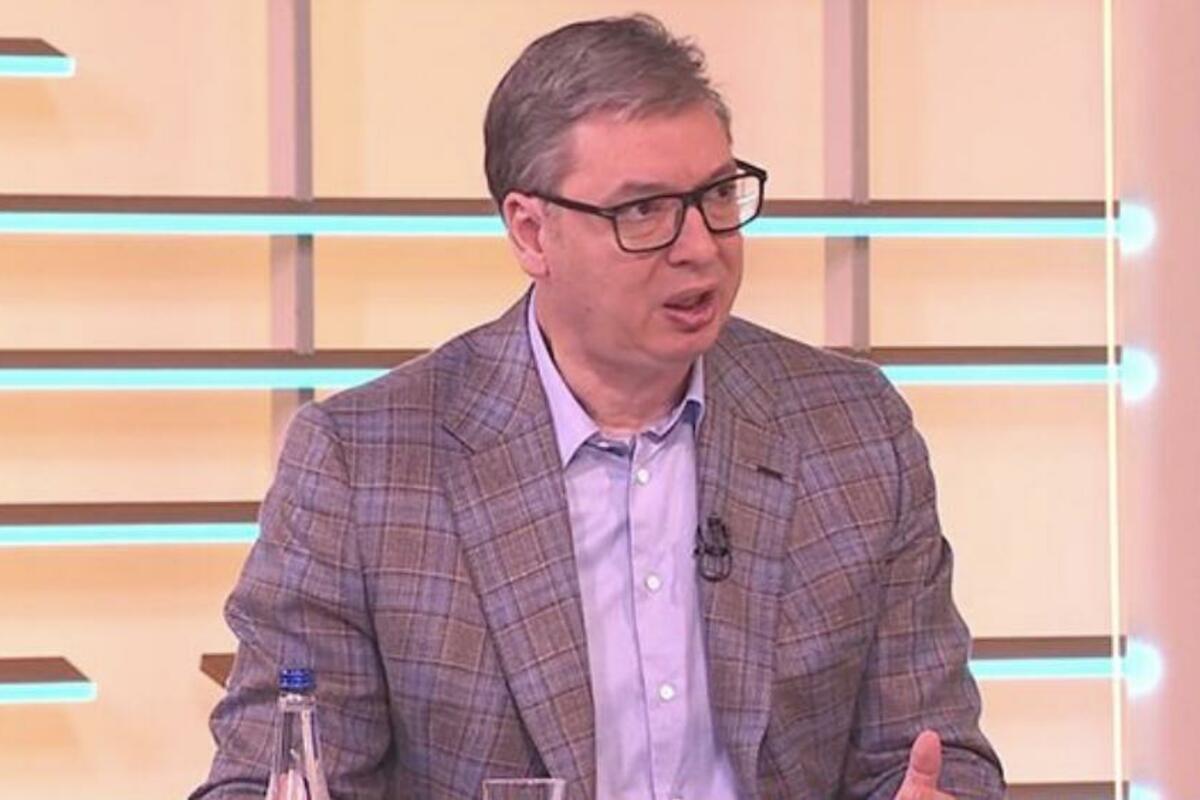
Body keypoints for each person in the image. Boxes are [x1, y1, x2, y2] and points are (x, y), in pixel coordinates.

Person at [193, 13, 1004, 800]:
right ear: (531, 232)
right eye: (643, 210)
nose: (700, 246)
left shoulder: (852, 433)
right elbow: (272, 773)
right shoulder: (365, 465)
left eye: (718, 195)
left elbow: (932, 758)